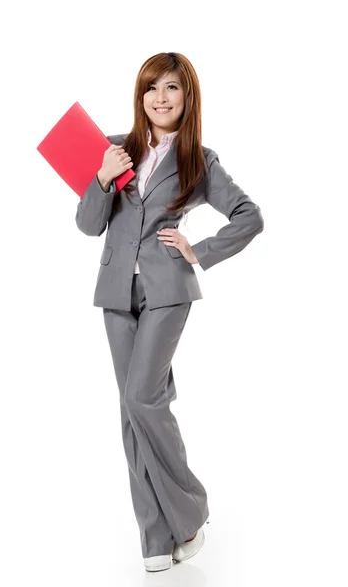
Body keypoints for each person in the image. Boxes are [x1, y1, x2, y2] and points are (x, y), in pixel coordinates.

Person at [75, 52, 264, 572]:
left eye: (172, 88)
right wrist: (100, 176)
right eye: (151, 88)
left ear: (187, 98)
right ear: (140, 96)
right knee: (131, 412)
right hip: (115, 293)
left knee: (143, 398)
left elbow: (250, 216)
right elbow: (88, 225)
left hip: (166, 291)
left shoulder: (199, 158)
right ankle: (155, 534)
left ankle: (190, 511)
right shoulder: (113, 149)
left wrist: (198, 250)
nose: (160, 97)